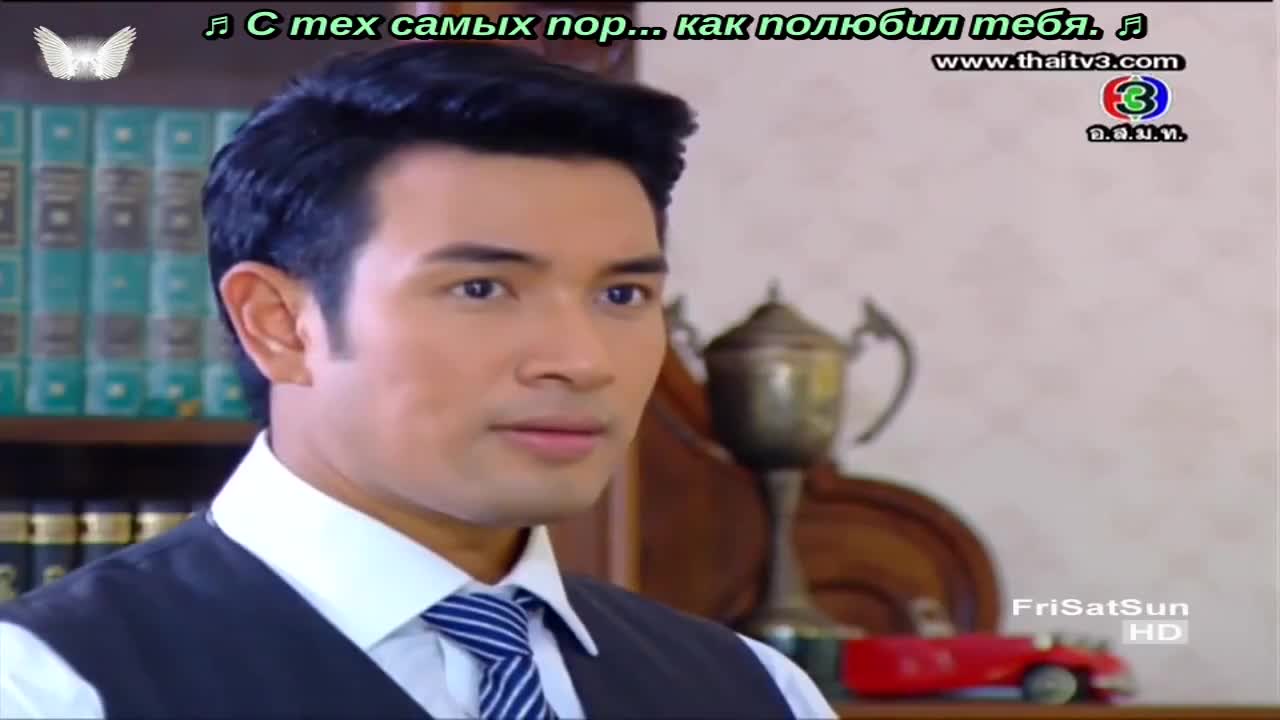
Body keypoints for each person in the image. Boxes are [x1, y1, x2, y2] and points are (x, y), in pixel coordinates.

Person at [0, 41, 837, 719]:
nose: (583, 361)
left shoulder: (758, 692)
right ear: (278, 323)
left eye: (621, 296)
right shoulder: (46, 688)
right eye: (482, 289)